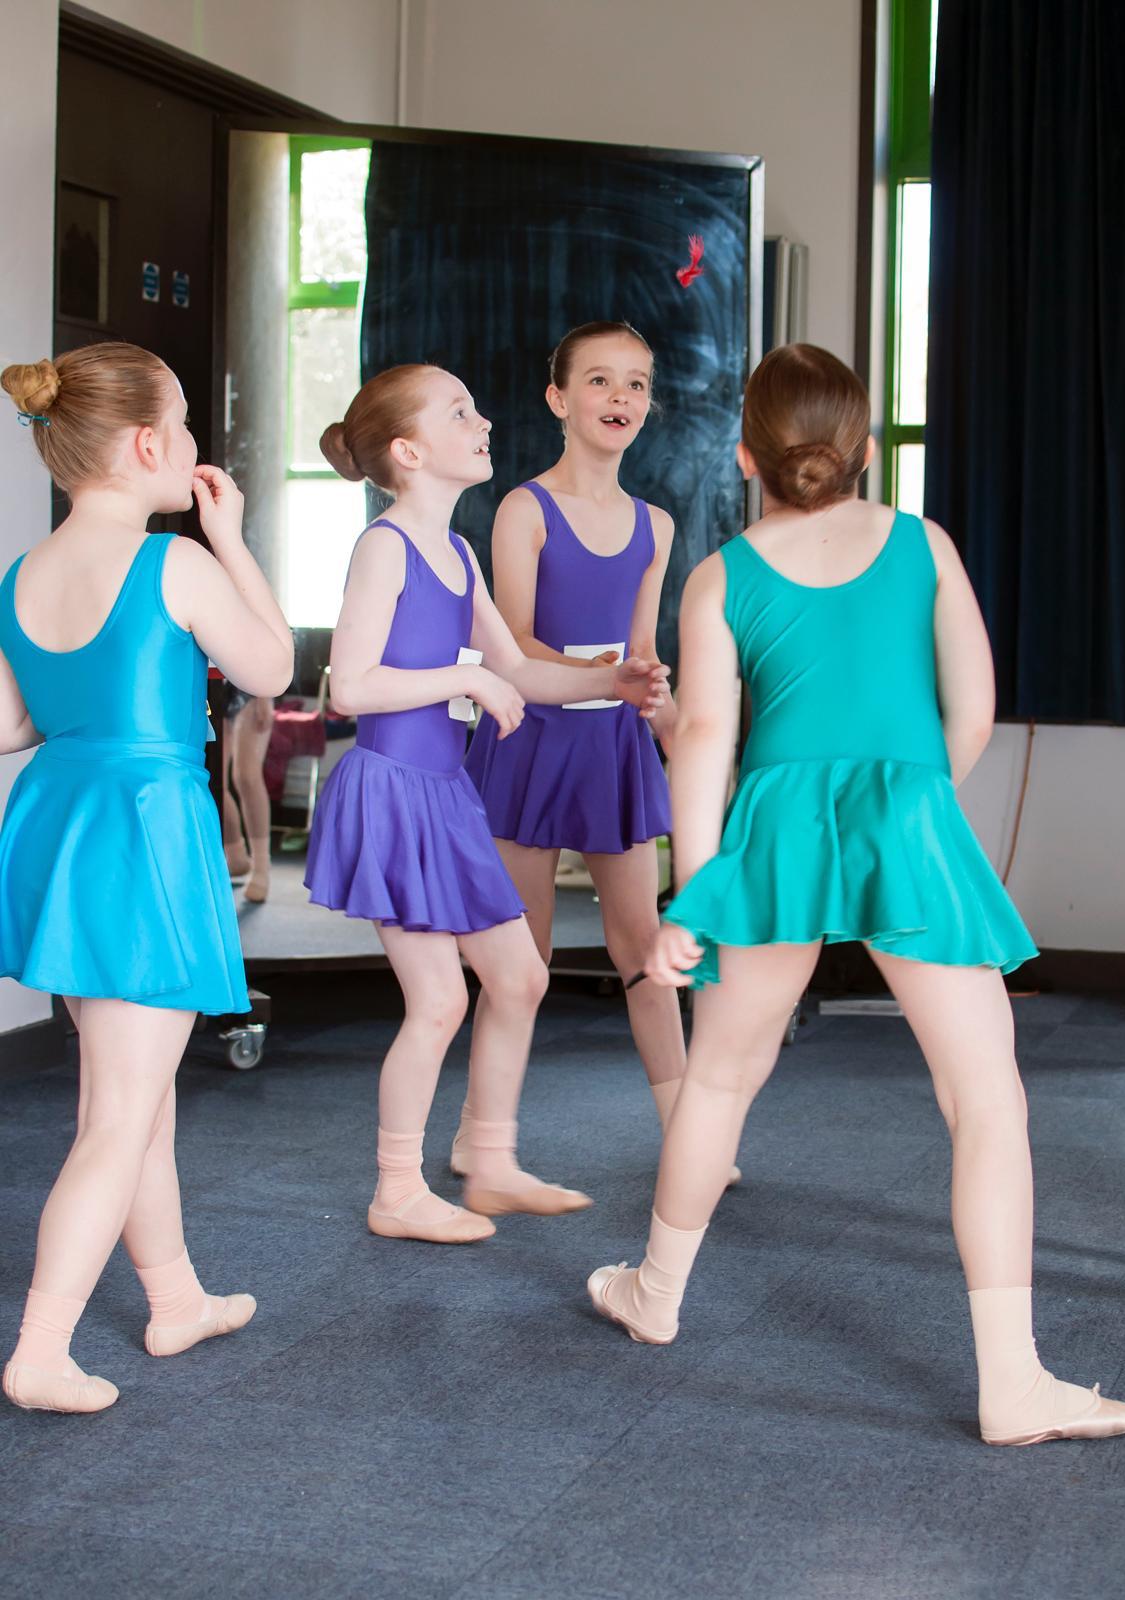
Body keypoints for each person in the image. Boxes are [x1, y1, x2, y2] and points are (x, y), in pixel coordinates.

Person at [587, 343, 1125, 1449]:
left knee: (720, 1076)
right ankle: (1012, 1381)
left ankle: (654, 1292)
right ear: (864, 448)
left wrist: (693, 894)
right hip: (907, 816)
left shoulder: (720, 576)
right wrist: (907, 805)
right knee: (985, 1100)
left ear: (746, 457)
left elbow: (704, 738)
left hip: (776, 827)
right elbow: (970, 713)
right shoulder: (923, 544)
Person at [304, 364, 668, 1246]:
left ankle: (490, 1161)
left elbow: (518, 670)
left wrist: (611, 682)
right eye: (460, 412)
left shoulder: (459, 555)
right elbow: (350, 688)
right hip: (390, 794)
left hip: (444, 796)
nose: (484, 422)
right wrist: (462, 678)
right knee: (439, 1002)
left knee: (520, 977)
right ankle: (397, 1191)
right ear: (407, 452)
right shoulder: (385, 547)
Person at [0, 343, 293, 1414]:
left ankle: (175, 1299)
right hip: (144, 832)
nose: (195, 442)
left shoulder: (23, 572)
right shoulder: (173, 562)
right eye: (184, 419)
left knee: (135, 1092)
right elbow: (271, 668)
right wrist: (232, 538)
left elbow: (10, 726)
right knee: (118, 1111)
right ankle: (40, 1352)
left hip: (62, 822)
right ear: (145, 444)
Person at [459, 322, 732, 1178]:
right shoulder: (524, 508)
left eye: (637, 384)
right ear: (559, 399)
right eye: (601, 381)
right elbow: (516, 645)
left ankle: (688, 1134)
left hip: (613, 748)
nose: (621, 397)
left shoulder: (656, 525)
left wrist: (679, 734)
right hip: (531, 741)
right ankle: (479, 1138)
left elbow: (641, 656)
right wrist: (607, 678)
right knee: (523, 961)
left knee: (645, 949)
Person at [222, 689, 274, 902]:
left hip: (249, 687)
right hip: (213, 687)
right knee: (213, 780)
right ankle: (235, 854)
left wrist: (264, 697)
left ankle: (261, 866)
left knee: (247, 777)